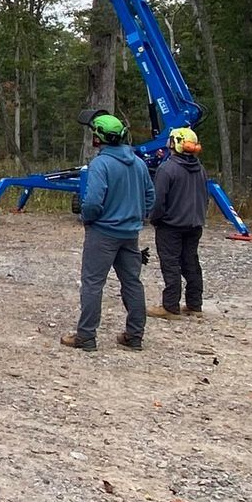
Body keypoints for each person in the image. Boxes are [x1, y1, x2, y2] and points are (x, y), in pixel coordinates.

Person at [60, 111, 154, 353]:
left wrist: (87, 219)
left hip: (103, 233)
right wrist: (136, 217)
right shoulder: (139, 163)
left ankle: (86, 336)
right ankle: (135, 336)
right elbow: (150, 197)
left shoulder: (101, 164)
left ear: (98, 138)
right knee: (132, 283)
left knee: (92, 284)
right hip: (130, 234)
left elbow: (92, 202)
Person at [151, 126, 208, 318]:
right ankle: (194, 304)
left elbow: (159, 200)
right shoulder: (200, 169)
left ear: (174, 144)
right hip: (194, 225)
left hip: (171, 226)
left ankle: (170, 307)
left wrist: (156, 219)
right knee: (191, 263)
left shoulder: (167, 169)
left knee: (171, 264)